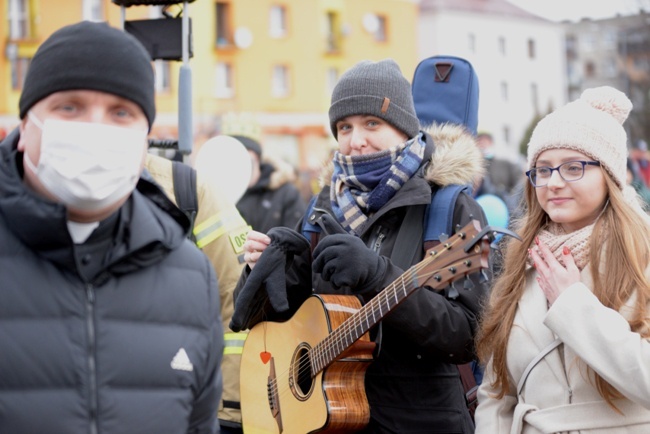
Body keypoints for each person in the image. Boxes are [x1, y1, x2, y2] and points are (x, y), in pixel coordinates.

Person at [235, 59, 490, 433]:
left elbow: (469, 335)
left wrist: (378, 275)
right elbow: (277, 328)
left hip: (420, 422)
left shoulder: (447, 206)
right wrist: (272, 271)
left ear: (404, 129)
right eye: (345, 127)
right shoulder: (322, 205)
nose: (356, 141)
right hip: (327, 420)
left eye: (373, 123)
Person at [0, 21, 223, 433]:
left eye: (121, 112)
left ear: (145, 142)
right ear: (25, 128)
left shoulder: (191, 277)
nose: (95, 128)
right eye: (70, 107)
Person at [475, 86, 650, 433]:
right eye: (542, 169)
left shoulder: (640, 253)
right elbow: (496, 395)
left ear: (610, 176)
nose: (553, 182)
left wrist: (574, 306)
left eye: (573, 167)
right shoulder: (520, 261)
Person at [144, 152, 249, 434]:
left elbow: (238, 299)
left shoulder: (190, 190)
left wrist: (231, 407)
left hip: (183, 405)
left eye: (120, 113)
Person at [233, 134, 307, 233]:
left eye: (248, 162)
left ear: (258, 161)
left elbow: (298, 238)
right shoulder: (221, 195)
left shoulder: (285, 193)